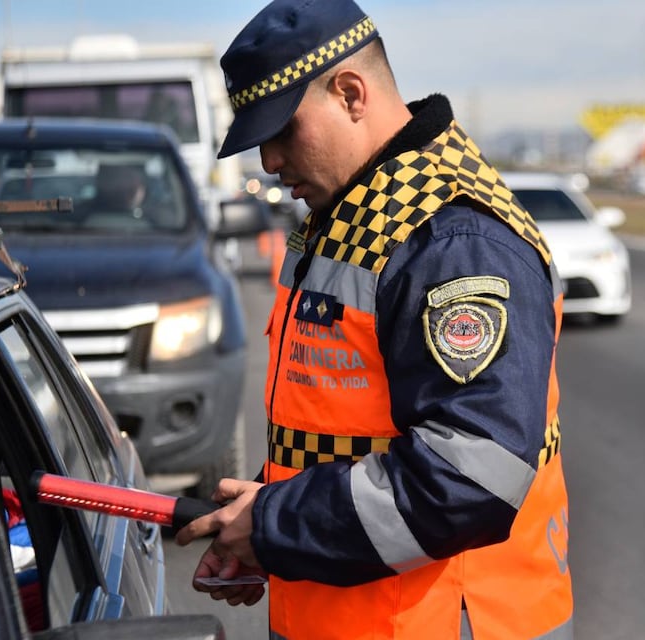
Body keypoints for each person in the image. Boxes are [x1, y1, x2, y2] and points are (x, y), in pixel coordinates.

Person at [175, 1, 573, 638]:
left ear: (351, 93)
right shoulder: (352, 216)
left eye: (282, 130)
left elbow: (468, 479)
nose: (269, 161)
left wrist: (276, 524)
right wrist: (261, 516)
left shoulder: (451, 241)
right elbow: (346, 427)